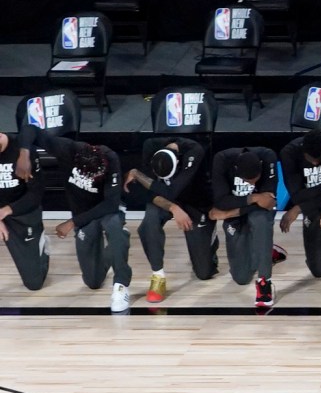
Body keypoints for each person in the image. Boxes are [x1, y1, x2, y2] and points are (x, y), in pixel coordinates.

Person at [38, 131, 129, 310]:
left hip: (106, 209)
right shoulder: (65, 148)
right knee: (92, 281)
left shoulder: (110, 157)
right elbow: (31, 130)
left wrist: (72, 222)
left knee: (114, 227)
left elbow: (110, 203)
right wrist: (24, 153)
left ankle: (121, 285)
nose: (96, 179)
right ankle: (112, 249)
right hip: (85, 213)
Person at [127, 134, 210, 301]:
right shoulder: (150, 146)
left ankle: (210, 249)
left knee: (204, 273)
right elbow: (149, 193)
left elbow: (172, 191)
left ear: (178, 163)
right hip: (166, 200)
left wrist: (137, 174)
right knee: (148, 223)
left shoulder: (195, 151)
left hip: (193, 199)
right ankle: (158, 276)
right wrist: (173, 207)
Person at [203, 142, 279, 307]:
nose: (252, 184)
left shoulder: (267, 156)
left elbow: (267, 202)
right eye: (247, 181)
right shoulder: (222, 160)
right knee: (241, 277)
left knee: (260, 220)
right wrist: (253, 198)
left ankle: (264, 283)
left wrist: (227, 213)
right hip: (237, 215)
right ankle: (266, 250)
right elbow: (221, 201)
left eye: (255, 180)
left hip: (253, 213)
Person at [276, 130, 321, 293]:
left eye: (319, 159)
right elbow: (297, 195)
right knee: (319, 271)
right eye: (311, 159)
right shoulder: (289, 152)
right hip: (311, 206)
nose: (315, 163)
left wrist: (299, 208)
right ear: (303, 152)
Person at [0, 128, 43, 293]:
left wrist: (6, 211)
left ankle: (42, 246)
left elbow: (36, 194)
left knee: (34, 283)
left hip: (22, 211)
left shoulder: (23, 152)